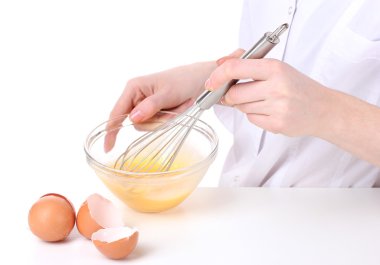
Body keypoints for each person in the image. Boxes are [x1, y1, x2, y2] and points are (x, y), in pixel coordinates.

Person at [106, 0, 380, 187]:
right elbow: (291, 65)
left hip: (340, 233)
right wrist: (206, 77)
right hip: (238, 207)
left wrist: (326, 111)